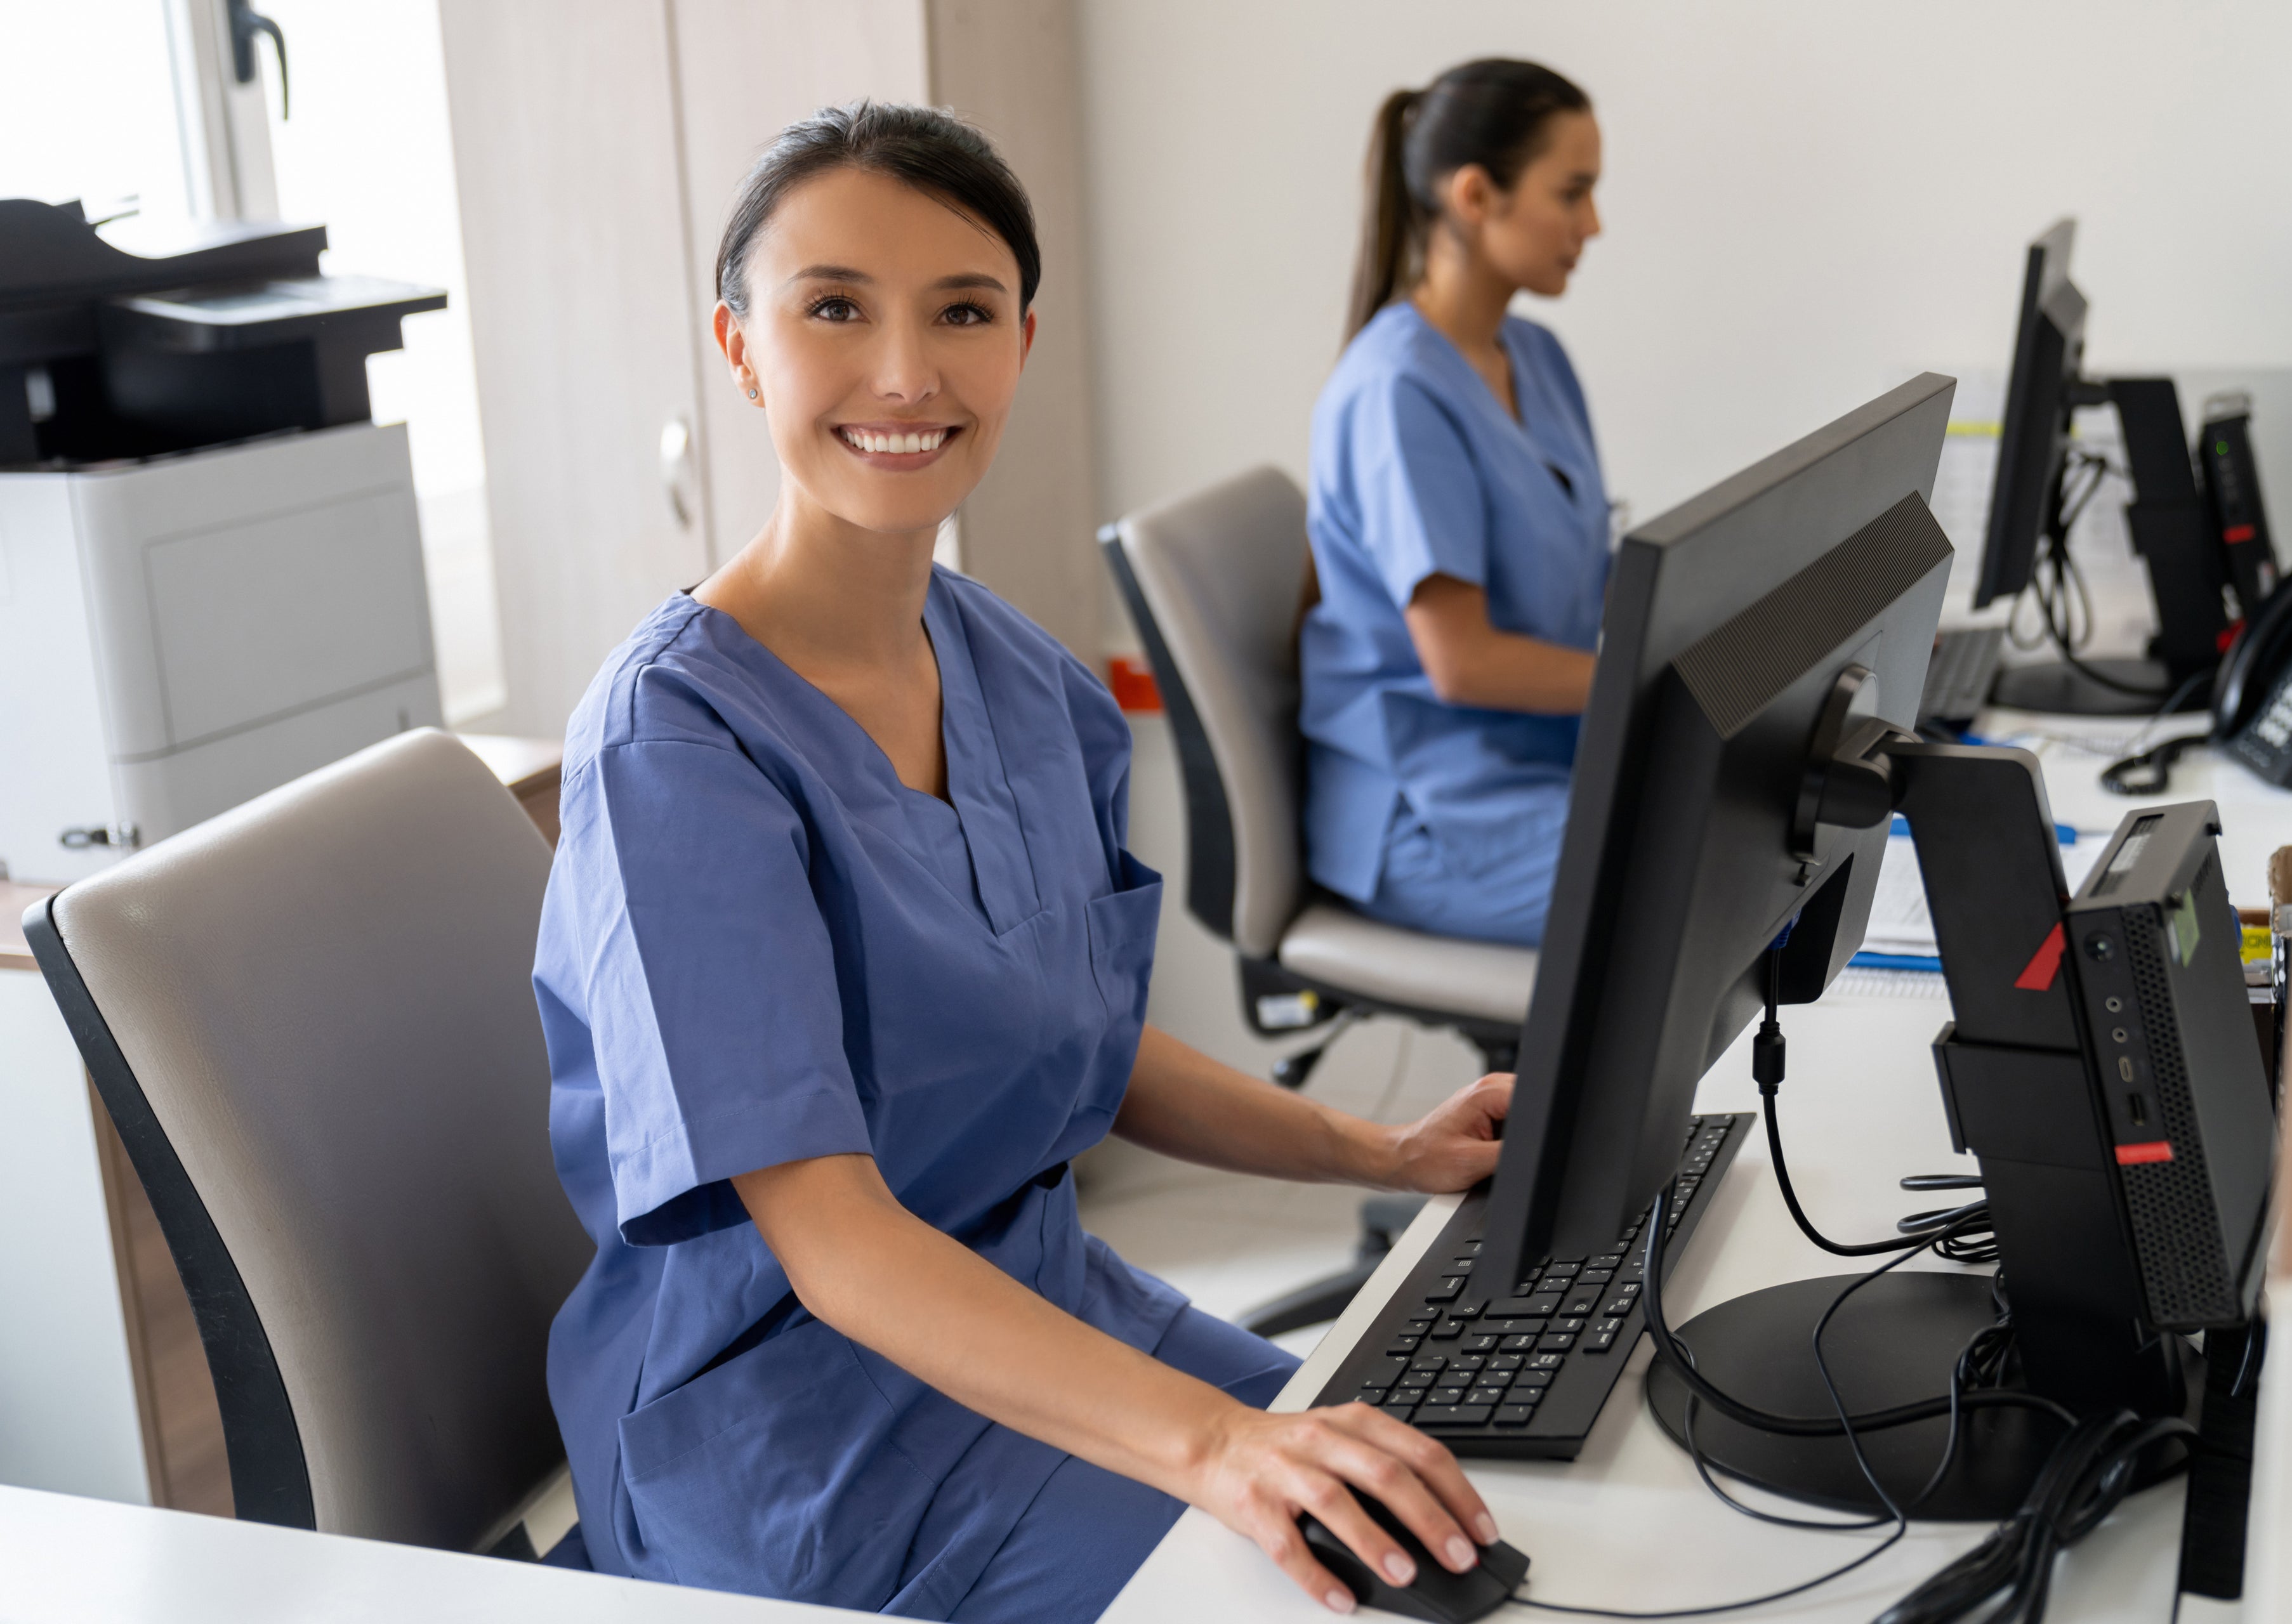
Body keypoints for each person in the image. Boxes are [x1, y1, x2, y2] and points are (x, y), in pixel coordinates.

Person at [534, 103, 1513, 1623]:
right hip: (810, 1440)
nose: (907, 372)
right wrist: (1218, 1445)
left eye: (963, 312)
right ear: (739, 344)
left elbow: (1071, 1039)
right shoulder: (675, 747)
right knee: (1334, 1580)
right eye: (836, 307)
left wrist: (1381, 1152)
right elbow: (840, 1245)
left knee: (1447, 1509)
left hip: (1042, 1309)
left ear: (1023, 344)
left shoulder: (1021, 674)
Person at [1301, 60, 1609, 948]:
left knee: (1768, 827)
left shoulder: (1537, 359)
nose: (1593, 224)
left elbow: (1591, 566)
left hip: (1538, 773)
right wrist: (1665, 686)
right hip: (1434, 816)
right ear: (1476, 195)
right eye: (1573, 192)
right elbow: (1462, 664)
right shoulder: (1396, 392)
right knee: (1718, 877)